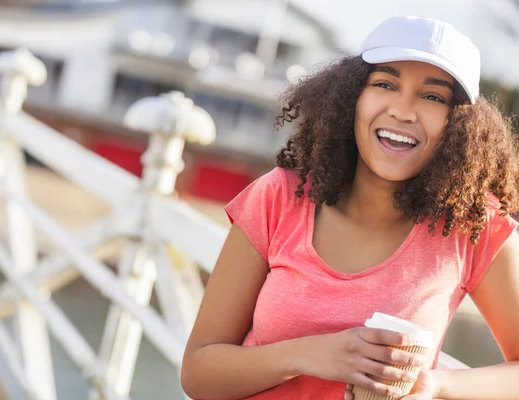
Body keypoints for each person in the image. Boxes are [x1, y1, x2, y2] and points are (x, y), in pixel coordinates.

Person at [180, 16, 519, 400]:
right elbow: (198, 373)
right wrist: (309, 354)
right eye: (385, 84)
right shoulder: (278, 197)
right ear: (350, 97)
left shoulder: (473, 226)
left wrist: (438, 386)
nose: (403, 111)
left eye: (433, 97)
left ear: (459, 125)